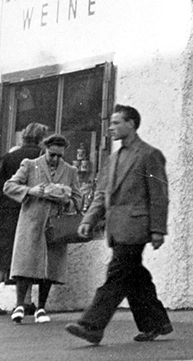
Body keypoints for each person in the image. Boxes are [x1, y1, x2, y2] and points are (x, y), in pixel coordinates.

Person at [66, 105, 172, 345]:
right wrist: (88, 219)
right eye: (111, 123)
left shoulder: (149, 155)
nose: (111, 127)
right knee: (134, 277)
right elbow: (102, 194)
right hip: (116, 227)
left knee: (117, 274)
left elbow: (158, 194)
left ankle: (92, 326)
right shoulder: (114, 158)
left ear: (131, 124)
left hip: (136, 227)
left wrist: (158, 229)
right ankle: (156, 322)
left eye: (116, 123)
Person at [3, 133, 82, 324]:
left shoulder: (70, 171)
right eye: (52, 155)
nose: (55, 159)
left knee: (50, 266)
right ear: (45, 150)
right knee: (25, 263)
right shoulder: (30, 165)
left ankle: (41, 308)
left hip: (55, 226)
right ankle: (20, 305)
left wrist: (66, 200)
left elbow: (78, 199)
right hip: (31, 222)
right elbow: (9, 186)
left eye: (59, 156)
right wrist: (30, 190)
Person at [0, 122, 46, 317]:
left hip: (6, 211)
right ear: (41, 138)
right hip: (30, 209)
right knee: (27, 254)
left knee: (3, 256)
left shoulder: (9, 157)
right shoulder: (42, 156)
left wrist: (2, 201)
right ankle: (26, 301)